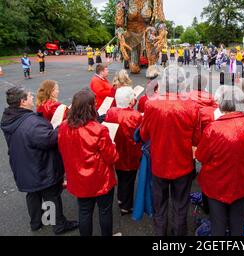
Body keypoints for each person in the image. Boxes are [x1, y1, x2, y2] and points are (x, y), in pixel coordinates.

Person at [0, 86, 78, 234]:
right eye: (29, 96)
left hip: (22, 162)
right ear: (22, 101)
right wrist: (60, 127)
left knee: (33, 193)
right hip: (38, 164)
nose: (32, 98)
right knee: (50, 193)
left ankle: (36, 222)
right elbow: (49, 139)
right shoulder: (31, 123)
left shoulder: (10, 117)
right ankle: (58, 224)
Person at [195, 85, 244, 236]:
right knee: (237, 223)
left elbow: (201, 156)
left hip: (216, 183)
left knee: (218, 223)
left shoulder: (213, 128)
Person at [140, 65, 201, 236]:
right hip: (183, 162)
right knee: (180, 205)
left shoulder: (152, 105)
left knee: (160, 205)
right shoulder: (191, 105)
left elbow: (144, 134)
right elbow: (197, 139)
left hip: (159, 162)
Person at [58, 90, 118, 236]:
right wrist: (113, 146)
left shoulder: (64, 127)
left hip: (78, 177)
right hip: (100, 179)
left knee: (84, 211)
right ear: (90, 107)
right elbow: (112, 157)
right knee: (104, 211)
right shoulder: (99, 129)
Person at [104, 87, 142, 216]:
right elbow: (141, 135)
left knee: (121, 177)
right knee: (129, 179)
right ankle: (126, 205)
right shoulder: (136, 116)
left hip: (117, 150)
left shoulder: (111, 112)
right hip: (131, 152)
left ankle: (121, 200)